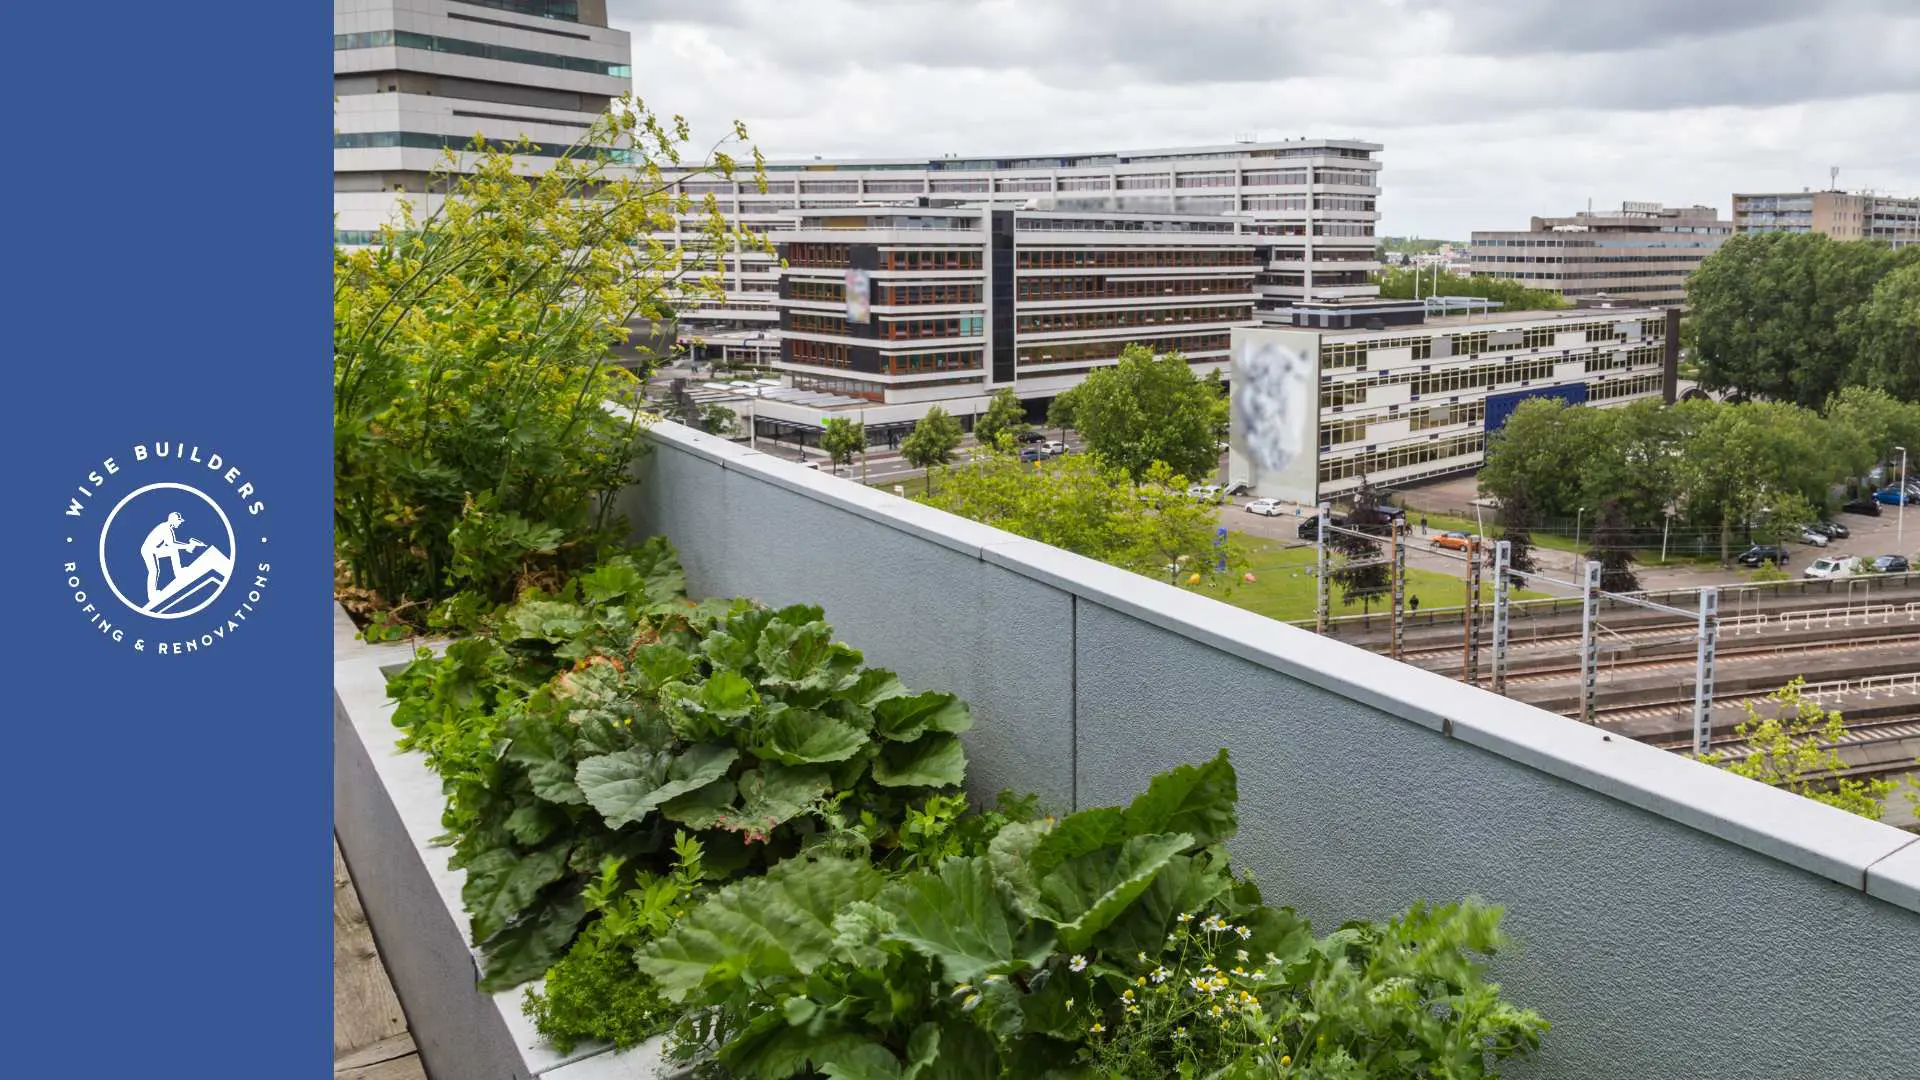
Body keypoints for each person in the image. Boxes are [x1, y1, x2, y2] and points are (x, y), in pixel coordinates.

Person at [139, 512, 205, 603]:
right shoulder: (165, 529)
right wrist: (187, 546)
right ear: (173, 520)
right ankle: (152, 595)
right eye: (179, 521)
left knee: (172, 551)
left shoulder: (167, 528)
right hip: (149, 550)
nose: (180, 523)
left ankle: (179, 572)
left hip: (155, 549)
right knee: (154, 570)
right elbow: (172, 544)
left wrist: (187, 546)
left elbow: (171, 545)